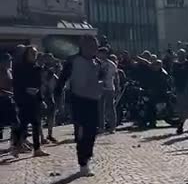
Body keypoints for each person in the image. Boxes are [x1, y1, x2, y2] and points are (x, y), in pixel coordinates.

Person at [56, 36, 102, 176]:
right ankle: (82, 162)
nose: (93, 49)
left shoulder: (98, 62)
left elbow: (102, 78)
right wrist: (57, 97)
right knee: (81, 132)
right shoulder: (73, 61)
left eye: (95, 47)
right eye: (90, 46)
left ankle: (87, 157)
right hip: (78, 99)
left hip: (93, 99)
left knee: (92, 131)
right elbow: (62, 80)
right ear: (83, 47)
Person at [13, 45, 48, 158]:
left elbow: (39, 85)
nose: (34, 55)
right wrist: (24, 90)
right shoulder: (19, 68)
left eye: (35, 53)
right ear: (26, 55)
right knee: (22, 124)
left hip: (34, 100)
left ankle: (37, 149)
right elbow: (16, 84)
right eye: (32, 53)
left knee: (36, 124)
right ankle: (16, 146)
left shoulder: (37, 68)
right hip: (23, 99)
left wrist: (41, 99)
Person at [0, 52, 21, 157]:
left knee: (16, 123)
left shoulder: (10, 71)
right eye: (8, 61)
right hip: (1, 100)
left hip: (9, 100)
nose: (10, 62)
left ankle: (15, 146)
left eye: (11, 60)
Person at [97, 47, 119, 132]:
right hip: (99, 88)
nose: (101, 55)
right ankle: (101, 127)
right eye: (100, 53)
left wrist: (117, 87)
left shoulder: (111, 64)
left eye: (103, 53)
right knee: (100, 108)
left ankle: (112, 126)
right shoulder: (96, 63)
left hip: (109, 87)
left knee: (110, 107)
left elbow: (116, 76)